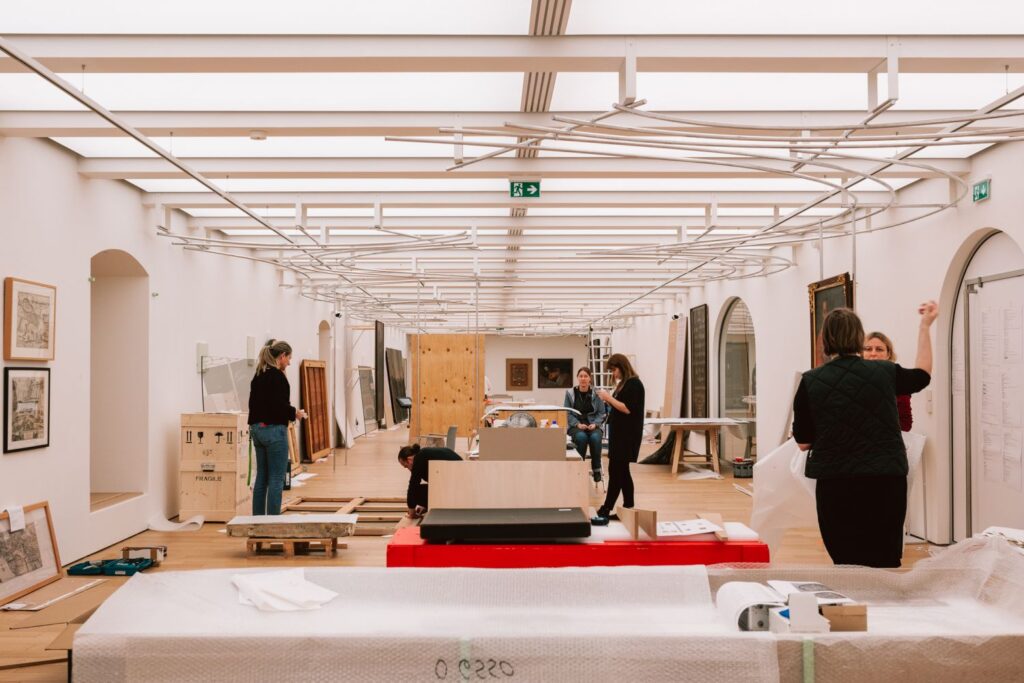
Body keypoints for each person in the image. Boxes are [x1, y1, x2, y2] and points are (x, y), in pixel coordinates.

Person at [792, 302, 937, 568]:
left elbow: (803, 442)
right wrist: (925, 326)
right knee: (883, 559)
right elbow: (922, 376)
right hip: (886, 480)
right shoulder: (885, 372)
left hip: (836, 483)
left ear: (827, 340)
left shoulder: (811, 380)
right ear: (859, 338)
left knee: (846, 560)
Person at [248, 339, 306, 516]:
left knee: (262, 477)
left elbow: (256, 404)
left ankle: (257, 521)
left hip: (257, 430)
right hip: (273, 432)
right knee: (276, 478)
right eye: (289, 358)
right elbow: (278, 406)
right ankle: (272, 521)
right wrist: (295, 413)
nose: (289, 363)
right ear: (282, 356)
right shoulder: (278, 377)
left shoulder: (258, 375)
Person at [592, 354, 645, 525]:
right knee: (621, 472)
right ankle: (628, 509)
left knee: (617, 472)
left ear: (622, 367)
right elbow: (619, 406)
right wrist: (608, 401)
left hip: (627, 435)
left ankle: (606, 508)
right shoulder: (624, 384)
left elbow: (628, 409)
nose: (613, 373)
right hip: (620, 434)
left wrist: (608, 398)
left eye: (614, 370)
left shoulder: (634, 384)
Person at [564, 367, 608, 482]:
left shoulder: (597, 393)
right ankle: (580, 469)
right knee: (581, 437)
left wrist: (596, 424)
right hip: (576, 426)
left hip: (593, 425)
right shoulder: (569, 393)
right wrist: (577, 424)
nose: (583, 379)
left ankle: (596, 469)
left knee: (595, 437)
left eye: (586, 376)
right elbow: (567, 412)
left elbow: (602, 413)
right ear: (577, 378)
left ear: (590, 378)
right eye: (581, 376)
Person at [864, 331, 913, 431]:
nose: (873, 353)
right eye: (868, 349)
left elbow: (905, 424)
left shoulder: (898, 380)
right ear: (862, 353)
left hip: (887, 438)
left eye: (879, 349)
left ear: (888, 354)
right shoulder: (852, 379)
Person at [397, 443, 462, 518]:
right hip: (460, 490)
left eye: (406, 466)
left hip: (453, 494)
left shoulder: (419, 458)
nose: (408, 469)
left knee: (416, 492)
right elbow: (436, 483)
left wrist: (412, 513)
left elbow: (413, 487)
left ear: (409, 460)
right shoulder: (426, 454)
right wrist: (426, 506)